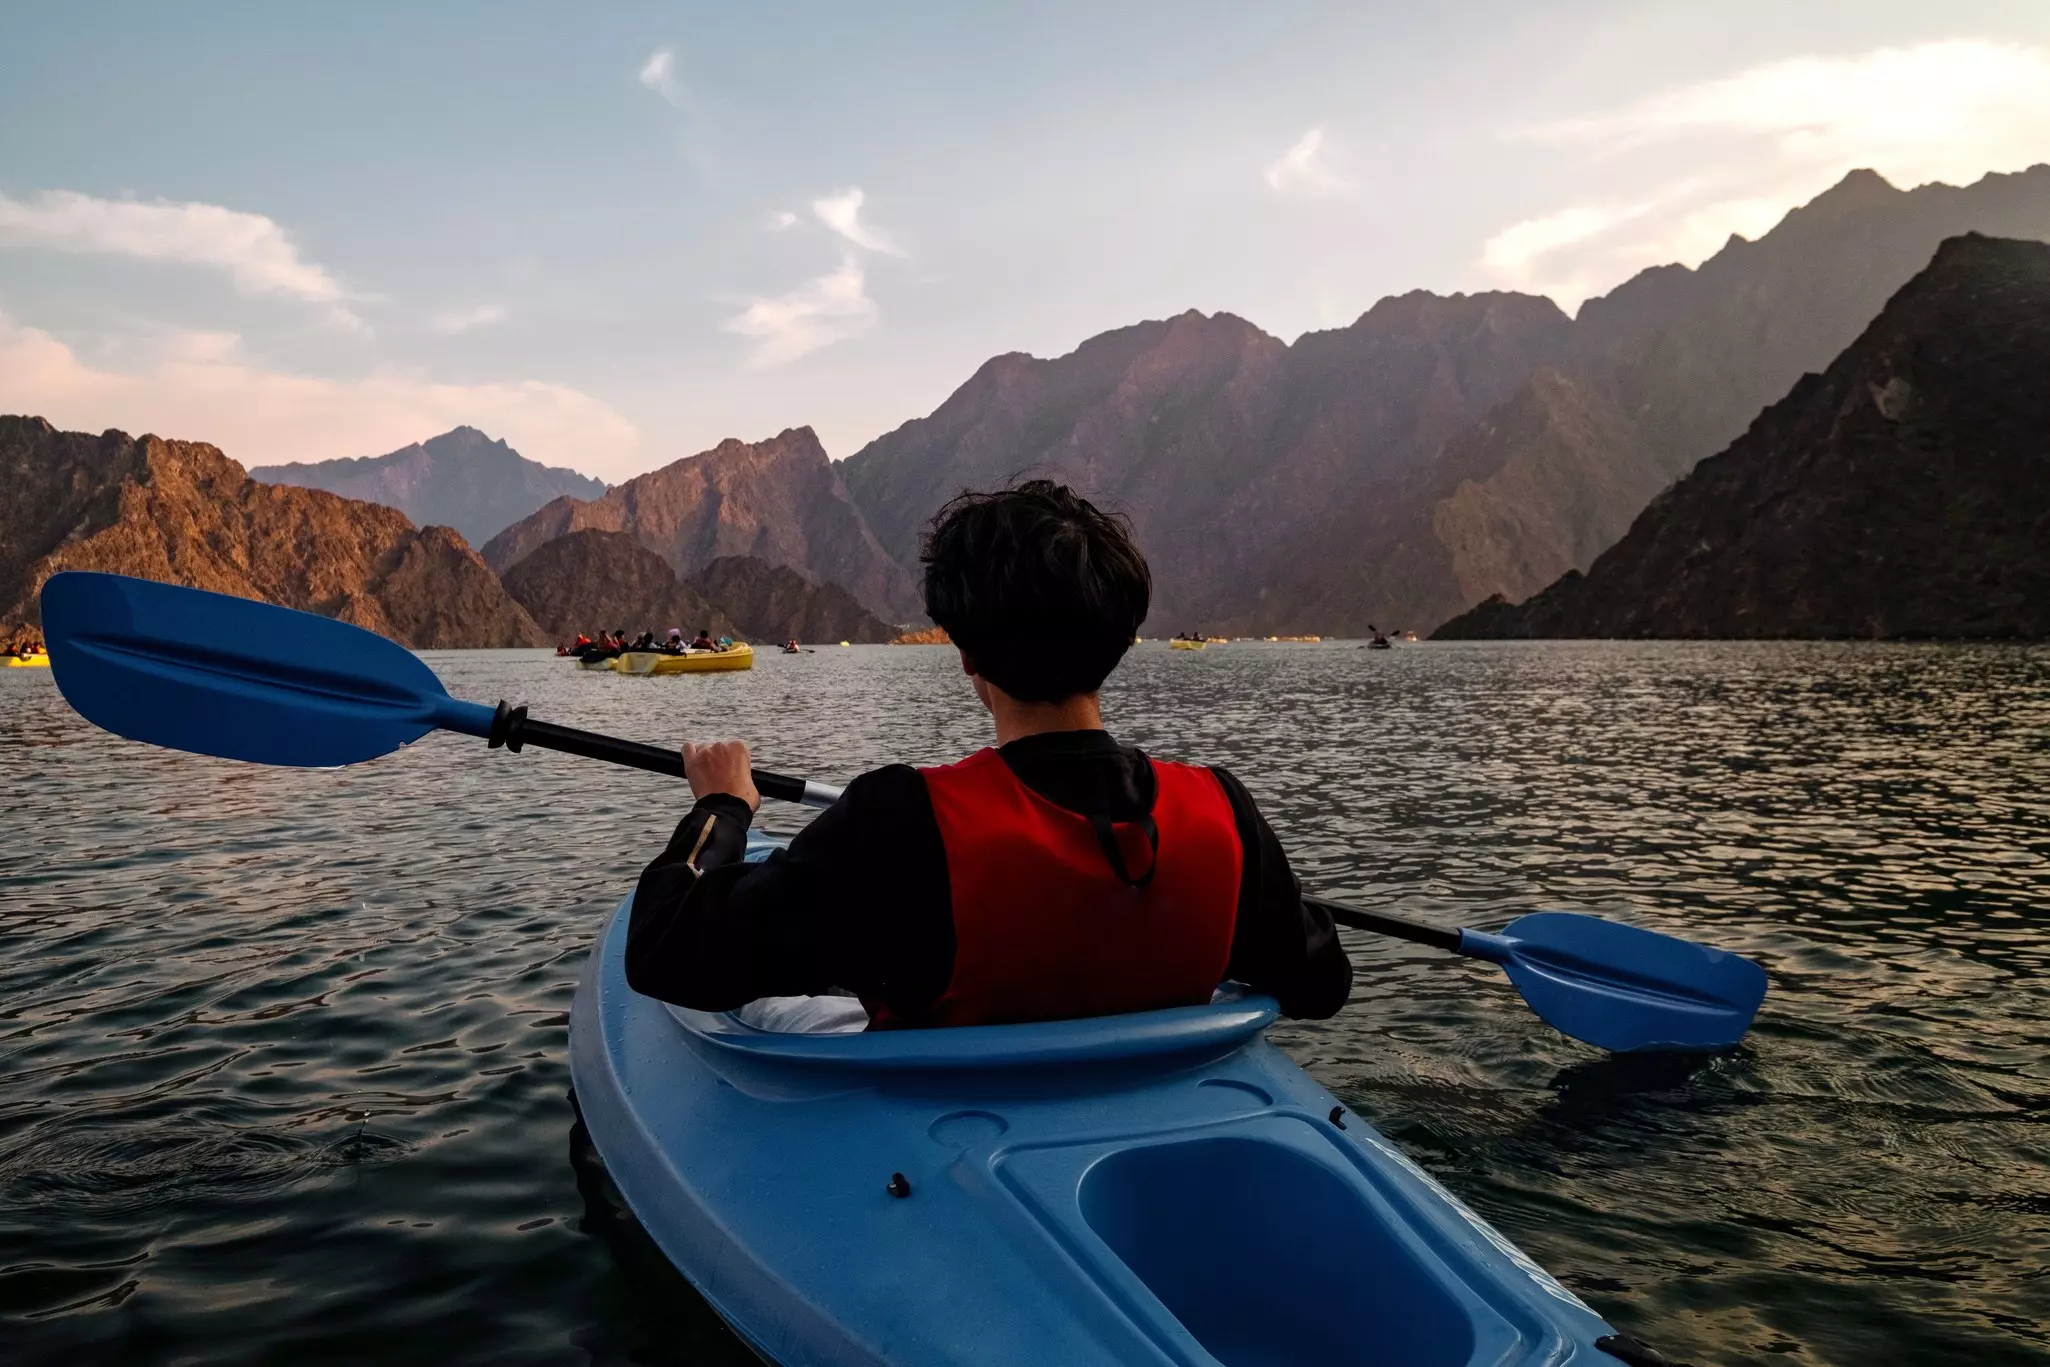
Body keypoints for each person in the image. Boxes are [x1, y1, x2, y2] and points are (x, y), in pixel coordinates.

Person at [625, 479, 1351, 1031]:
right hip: (1151, 1111)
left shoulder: (900, 820)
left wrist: (723, 805)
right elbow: (1323, 985)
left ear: (968, 654)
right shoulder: (1223, 811)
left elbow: (662, 948)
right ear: (1119, 642)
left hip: (940, 1131)